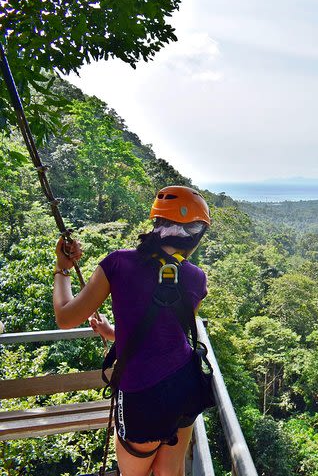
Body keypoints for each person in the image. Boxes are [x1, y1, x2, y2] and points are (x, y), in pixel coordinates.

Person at [53, 186, 213, 476]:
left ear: (156, 223)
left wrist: (63, 269)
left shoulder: (118, 263)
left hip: (142, 392)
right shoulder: (196, 278)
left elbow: (65, 317)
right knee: (171, 472)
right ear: (196, 235)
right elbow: (168, 332)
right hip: (185, 385)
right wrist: (112, 331)